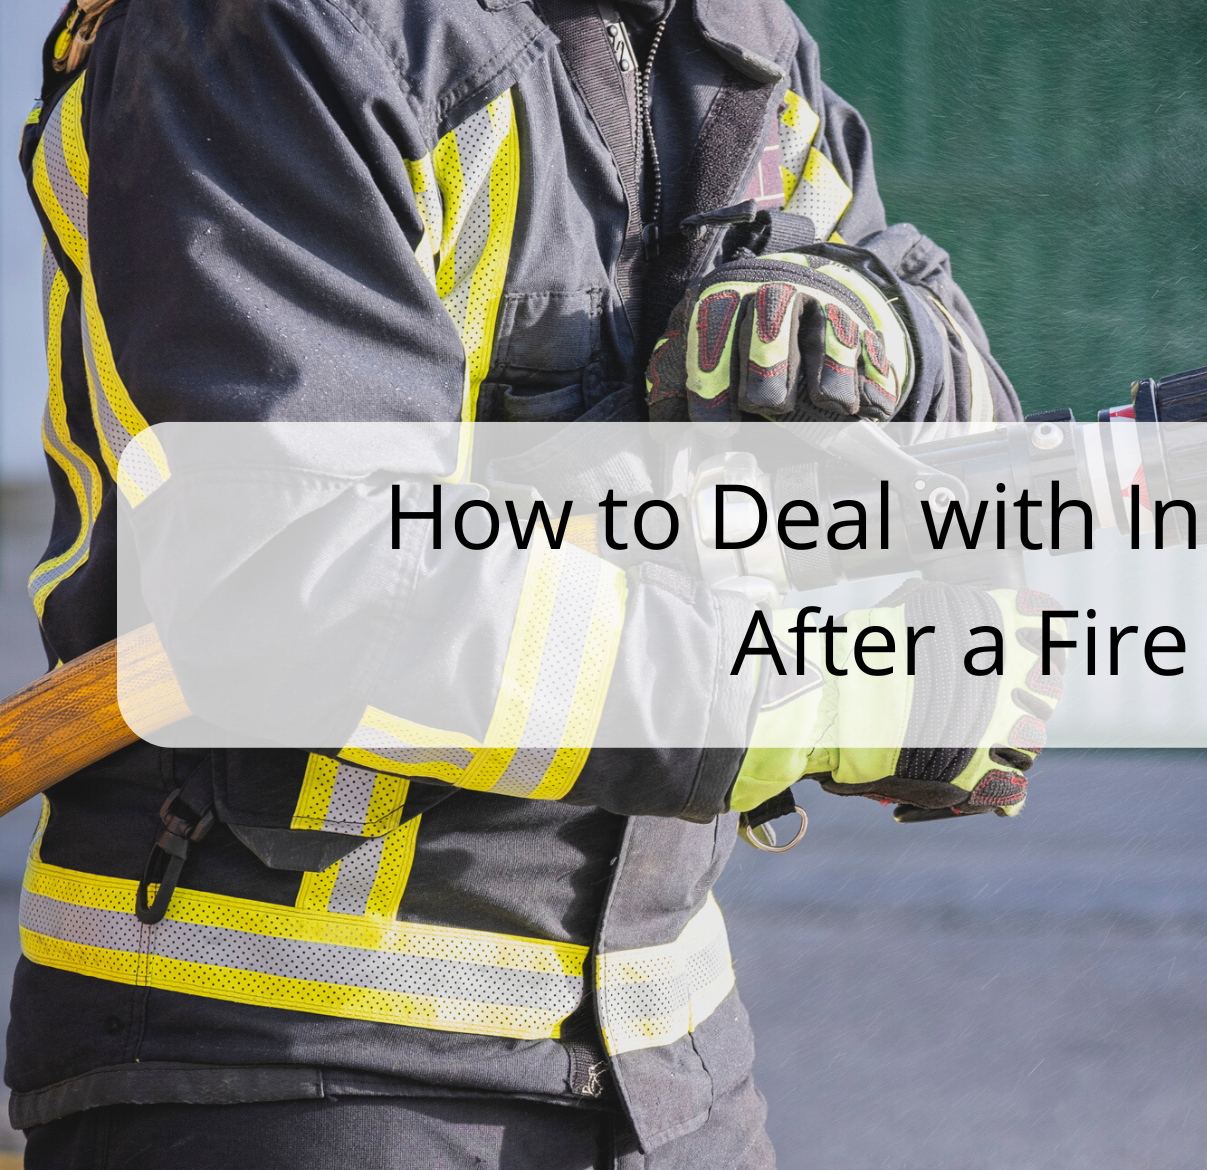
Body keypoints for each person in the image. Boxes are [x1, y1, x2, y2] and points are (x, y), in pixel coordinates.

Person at [10, 0, 1051, 1165]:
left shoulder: (735, 40)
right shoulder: (266, 31)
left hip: (671, 1068)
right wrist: (824, 699)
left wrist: (881, 327)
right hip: (287, 1066)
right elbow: (318, 583)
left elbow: (965, 453)